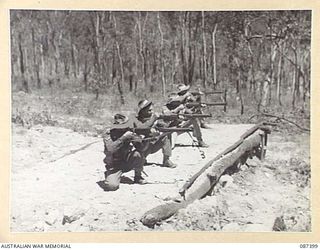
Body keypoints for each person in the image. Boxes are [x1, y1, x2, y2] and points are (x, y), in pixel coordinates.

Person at [102, 114, 147, 191]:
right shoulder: (108, 133)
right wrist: (124, 138)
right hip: (114, 165)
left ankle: (138, 177)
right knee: (111, 186)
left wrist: (143, 140)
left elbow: (141, 149)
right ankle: (110, 174)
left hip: (126, 161)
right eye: (121, 128)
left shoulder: (128, 132)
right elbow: (110, 149)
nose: (123, 129)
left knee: (138, 154)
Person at [133, 99, 177, 168]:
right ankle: (142, 159)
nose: (152, 112)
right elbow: (143, 127)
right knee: (139, 159)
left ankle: (166, 160)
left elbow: (165, 126)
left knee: (166, 134)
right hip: (143, 148)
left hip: (152, 145)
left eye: (152, 110)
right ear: (142, 111)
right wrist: (153, 119)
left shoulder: (152, 118)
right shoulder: (136, 120)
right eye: (149, 110)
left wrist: (174, 120)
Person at [162, 84, 209, 148]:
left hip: (182, 126)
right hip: (173, 129)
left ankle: (200, 140)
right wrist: (177, 109)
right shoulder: (165, 107)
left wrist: (198, 106)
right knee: (170, 146)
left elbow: (191, 113)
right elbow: (166, 118)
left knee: (194, 119)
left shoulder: (182, 105)